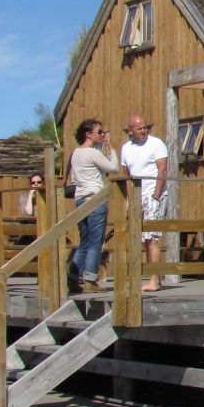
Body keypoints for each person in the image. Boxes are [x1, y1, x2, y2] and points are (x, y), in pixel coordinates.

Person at [121, 114, 170, 293]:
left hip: (153, 194)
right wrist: (129, 199)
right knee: (141, 239)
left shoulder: (156, 143)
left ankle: (154, 279)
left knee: (152, 238)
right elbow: (126, 173)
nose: (143, 130)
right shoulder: (126, 148)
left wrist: (156, 195)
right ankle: (150, 275)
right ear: (131, 130)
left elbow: (162, 168)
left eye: (145, 127)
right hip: (136, 197)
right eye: (139, 128)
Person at [68, 118, 119, 292]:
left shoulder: (76, 153)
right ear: (88, 134)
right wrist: (111, 148)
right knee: (96, 242)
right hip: (95, 198)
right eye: (99, 132)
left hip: (80, 199)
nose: (102, 135)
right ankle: (90, 278)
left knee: (84, 242)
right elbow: (113, 168)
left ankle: (73, 277)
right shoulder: (92, 153)